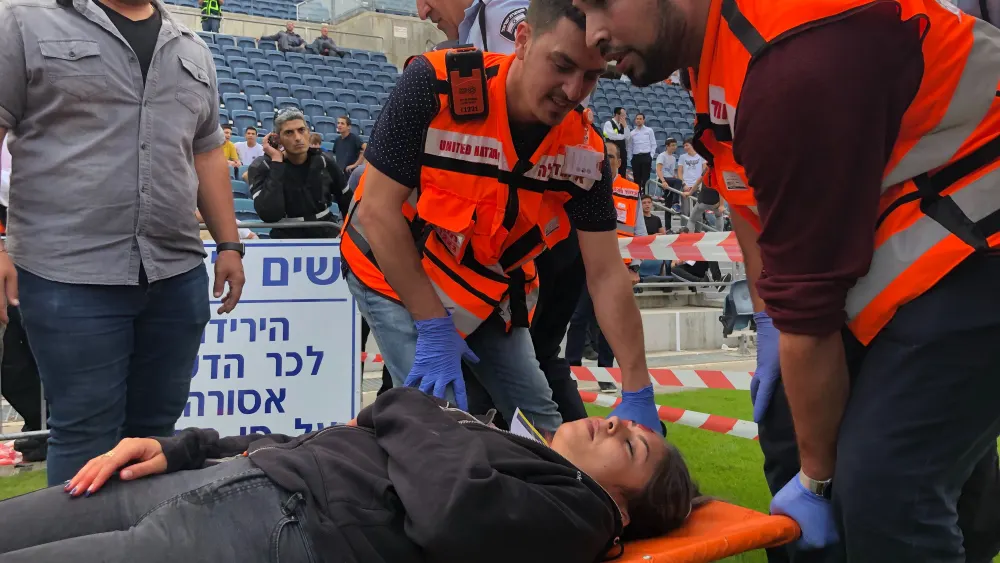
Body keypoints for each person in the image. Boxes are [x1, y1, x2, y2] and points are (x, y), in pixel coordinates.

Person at [571, 0, 1000, 561]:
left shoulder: (790, 60)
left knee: (888, 484)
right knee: (788, 426)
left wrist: (818, 481)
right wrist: (769, 319)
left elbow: (809, 308)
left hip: (976, 240)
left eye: (600, 2)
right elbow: (746, 201)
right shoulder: (717, 54)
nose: (593, 34)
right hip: (926, 241)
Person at [341, 0, 662, 436]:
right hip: (391, 269)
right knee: (437, 426)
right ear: (523, 40)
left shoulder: (584, 154)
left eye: (591, 76)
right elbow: (377, 212)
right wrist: (433, 323)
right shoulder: (437, 83)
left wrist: (638, 387)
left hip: (482, 286)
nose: (573, 91)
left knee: (543, 424)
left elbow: (606, 273)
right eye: (562, 65)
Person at [0, 387, 699, 563]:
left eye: (633, 447)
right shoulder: (512, 449)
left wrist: (406, 405)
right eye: (624, 421)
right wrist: (186, 446)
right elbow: (344, 438)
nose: (615, 423)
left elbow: (451, 510)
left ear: (623, 508)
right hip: (235, 480)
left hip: (265, 528)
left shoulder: (579, 517)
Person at [0, 0, 245, 486]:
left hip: (175, 273)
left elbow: (206, 152)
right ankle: (79, 533)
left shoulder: (192, 48)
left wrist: (230, 245)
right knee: (85, 434)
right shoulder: (26, 23)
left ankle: (143, 532)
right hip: (67, 273)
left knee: (157, 439)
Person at [565, 141, 644, 393]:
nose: (607, 160)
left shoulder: (631, 190)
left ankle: (606, 373)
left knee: (611, 322)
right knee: (578, 318)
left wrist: (635, 267)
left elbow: (639, 231)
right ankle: (571, 370)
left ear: (619, 161)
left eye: (611, 156)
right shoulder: (586, 183)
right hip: (585, 264)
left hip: (618, 268)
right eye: (604, 156)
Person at [248, 108, 350, 239]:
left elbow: (348, 203)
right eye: (289, 132)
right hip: (286, 238)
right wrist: (277, 162)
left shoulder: (324, 161)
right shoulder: (262, 167)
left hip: (326, 234)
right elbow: (269, 214)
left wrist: (347, 234)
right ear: (277, 139)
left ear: (308, 132)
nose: (297, 138)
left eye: (301, 130)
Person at [628, 113, 655, 194]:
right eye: (637, 119)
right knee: (637, 179)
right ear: (635, 120)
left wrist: (651, 156)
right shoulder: (632, 133)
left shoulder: (649, 130)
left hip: (646, 156)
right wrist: (631, 158)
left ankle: (645, 195)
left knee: (646, 178)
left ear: (643, 120)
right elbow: (630, 147)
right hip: (636, 158)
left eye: (640, 119)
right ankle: (637, 195)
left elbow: (653, 144)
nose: (638, 120)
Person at [603, 106, 629, 178]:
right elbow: (613, 136)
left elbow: (628, 137)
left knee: (622, 172)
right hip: (612, 151)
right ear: (617, 115)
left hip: (622, 152)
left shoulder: (623, 125)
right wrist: (623, 136)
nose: (625, 117)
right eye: (623, 115)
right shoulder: (608, 123)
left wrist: (625, 126)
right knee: (611, 171)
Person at [655, 137, 681, 207]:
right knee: (678, 181)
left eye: (675, 145)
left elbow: (671, 171)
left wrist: (674, 176)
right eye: (672, 145)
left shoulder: (673, 158)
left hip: (670, 179)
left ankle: (666, 198)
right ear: (667, 146)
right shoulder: (662, 156)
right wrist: (663, 181)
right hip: (662, 178)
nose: (674, 147)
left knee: (668, 202)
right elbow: (658, 170)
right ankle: (675, 202)